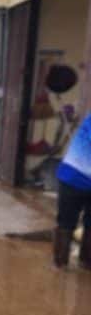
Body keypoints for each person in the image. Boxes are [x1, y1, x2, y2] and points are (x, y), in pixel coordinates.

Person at [54, 109, 91, 269]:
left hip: (72, 176)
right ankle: (65, 264)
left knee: (70, 222)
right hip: (74, 177)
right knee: (67, 223)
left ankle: (78, 263)